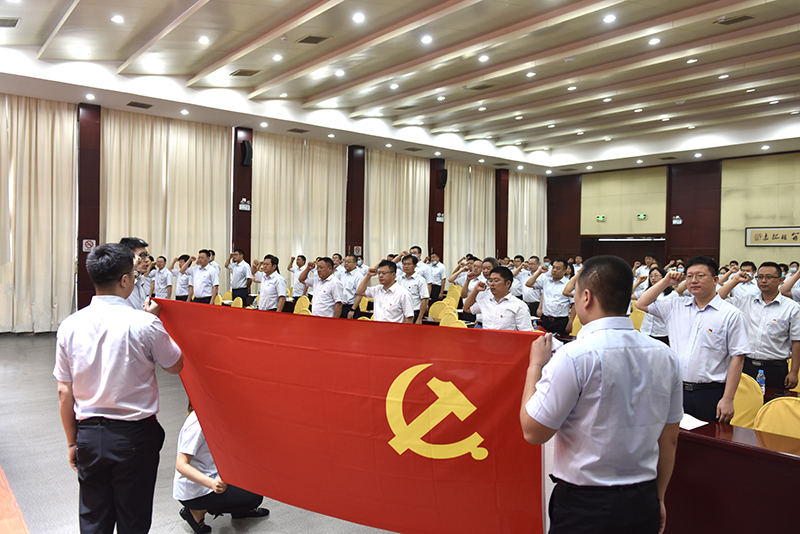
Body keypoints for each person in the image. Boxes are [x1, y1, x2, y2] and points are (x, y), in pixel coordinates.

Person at [520, 255, 682, 534]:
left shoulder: (574, 356)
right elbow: (669, 439)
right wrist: (659, 498)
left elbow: (534, 431)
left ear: (586, 297)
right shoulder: (665, 355)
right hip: (642, 498)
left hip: (586, 503)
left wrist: (535, 366)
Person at [55, 243, 183, 534]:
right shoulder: (145, 323)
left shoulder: (70, 325)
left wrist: (73, 442)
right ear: (125, 280)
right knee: (133, 519)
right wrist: (156, 320)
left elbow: (64, 391)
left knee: (93, 519)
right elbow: (175, 365)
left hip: (89, 434)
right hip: (134, 436)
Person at [636, 256, 749, 422]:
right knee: (674, 435)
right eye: (689, 276)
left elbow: (737, 358)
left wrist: (728, 399)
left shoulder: (731, 315)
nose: (694, 281)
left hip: (710, 392)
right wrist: (666, 281)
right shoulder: (675, 306)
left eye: (700, 276)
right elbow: (641, 303)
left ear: (715, 280)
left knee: (709, 437)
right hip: (676, 389)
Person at [174, 405, 269, 534]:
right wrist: (211, 483)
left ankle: (238, 510)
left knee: (254, 480)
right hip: (198, 489)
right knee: (254, 496)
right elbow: (181, 465)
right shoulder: (198, 422)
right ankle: (196, 512)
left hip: (214, 475)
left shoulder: (215, 413)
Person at [719, 262, 800, 389]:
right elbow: (717, 299)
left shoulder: (792, 307)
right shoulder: (746, 301)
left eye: (769, 277)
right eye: (760, 277)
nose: (763, 281)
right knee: (744, 400)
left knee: (773, 400)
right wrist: (735, 280)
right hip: (746, 365)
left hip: (775, 367)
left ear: (781, 280)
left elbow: (797, 342)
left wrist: (794, 372)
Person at [464, 266, 531, 331]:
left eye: (496, 281)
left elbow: (525, 333)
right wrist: (476, 290)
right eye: (490, 281)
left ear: (508, 284)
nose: (492, 284)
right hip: (487, 338)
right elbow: (466, 308)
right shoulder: (486, 301)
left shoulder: (519, 305)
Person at [527, 259, 574, 336]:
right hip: (546, 319)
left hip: (561, 321)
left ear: (565, 271)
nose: (554, 270)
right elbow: (528, 284)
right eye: (553, 267)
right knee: (544, 341)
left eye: (558, 268)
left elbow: (574, 305)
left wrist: (570, 322)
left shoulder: (568, 284)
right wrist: (539, 272)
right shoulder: (546, 281)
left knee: (560, 341)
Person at [635, 266, 677, 345]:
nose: (653, 278)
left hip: (661, 332)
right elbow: (630, 295)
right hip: (646, 330)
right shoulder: (646, 292)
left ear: (663, 277)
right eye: (651, 276)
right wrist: (638, 282)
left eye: (656, 275)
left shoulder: (672, 294)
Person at [119, 237, 151, 310]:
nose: (147, 260)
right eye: (142, 255)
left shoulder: (140, 280)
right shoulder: (120, 284)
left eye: (146, 255)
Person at [397, 254, 430, 324]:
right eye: (404, 264)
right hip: (400, 313)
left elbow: (424, 299)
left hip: (414, 312)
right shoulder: (399, 279)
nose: (406, 266)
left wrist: (419, 318)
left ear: (415, 266)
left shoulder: (420, 280)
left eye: (409, 264)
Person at [339, 254, 364, 318]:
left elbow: (360, 294)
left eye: (349, 262)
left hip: (351, 307)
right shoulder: (342, 274)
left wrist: (353, 309)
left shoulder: (359, 276)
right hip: (340, 306)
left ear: (355, 263)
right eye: (345, 262)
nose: (346, 264)